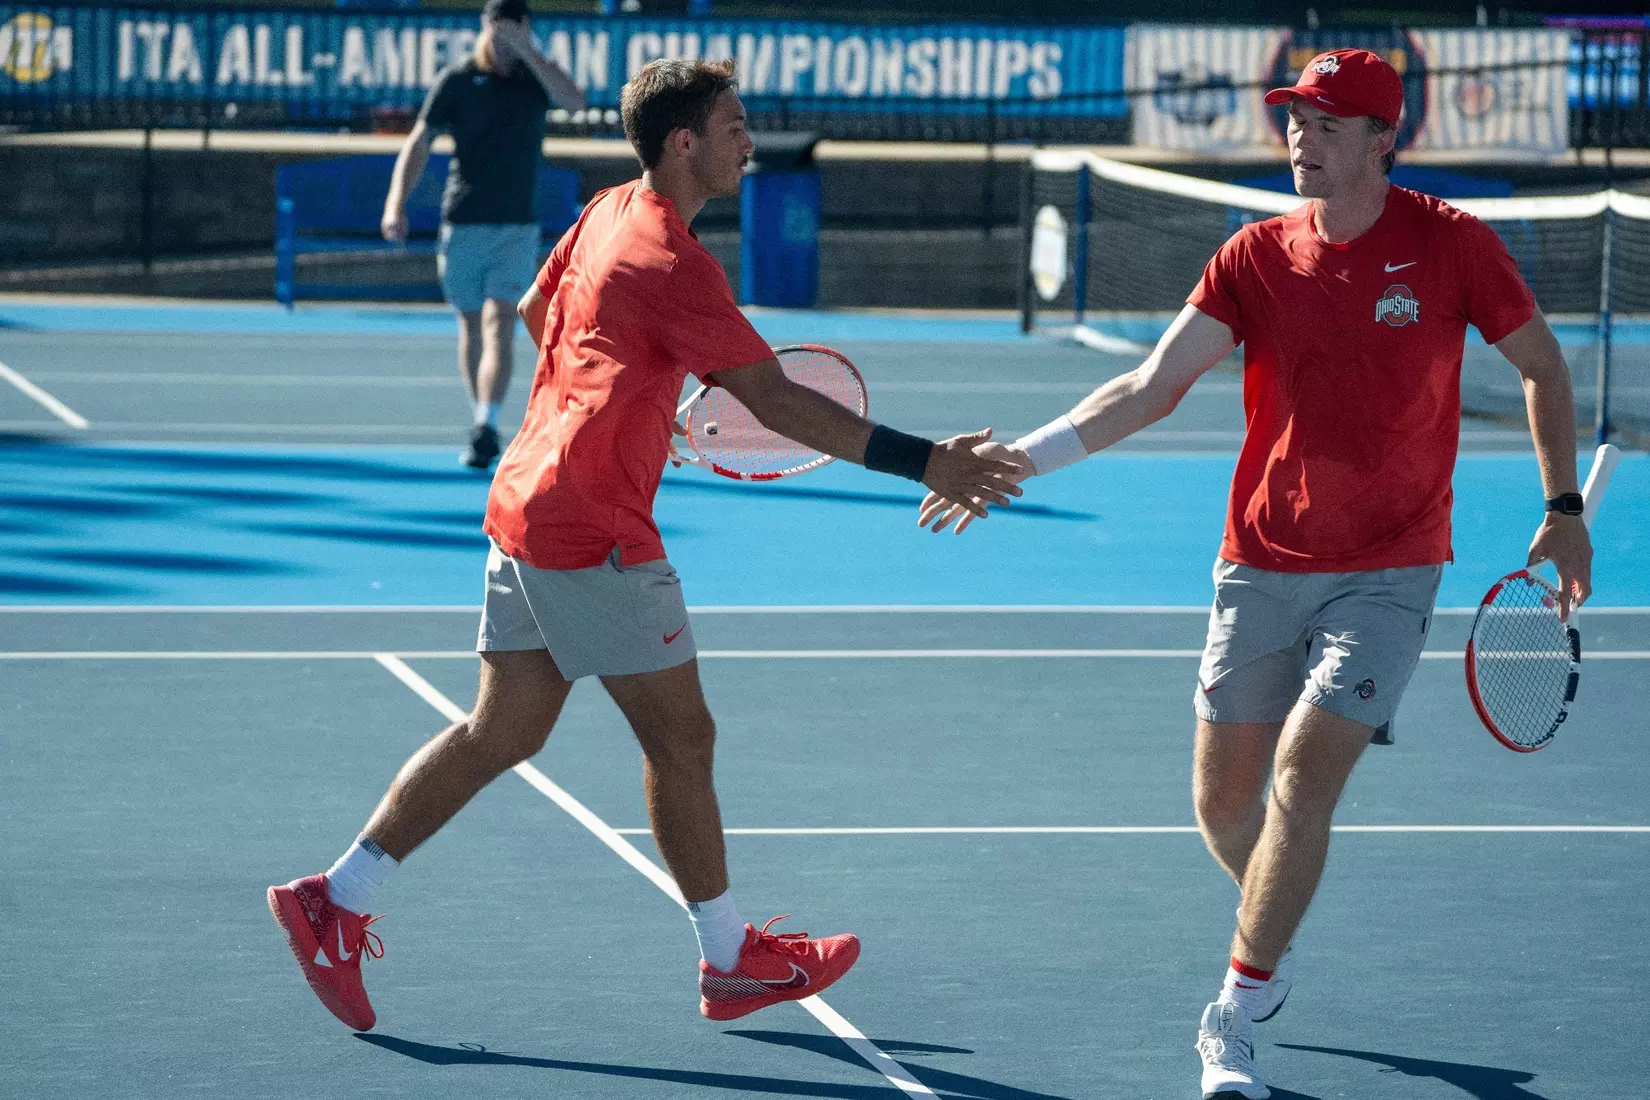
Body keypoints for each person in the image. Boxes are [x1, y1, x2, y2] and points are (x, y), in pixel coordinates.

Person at [271, 57, 1023, 1033]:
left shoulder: (605, 210)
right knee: (682, 738)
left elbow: (540, 314)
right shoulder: (674, 260)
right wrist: (928, 463)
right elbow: (776, 399)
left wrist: (629, 401)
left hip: (526, 504)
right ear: (684, 141)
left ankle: (335, 897)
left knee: (503, 731)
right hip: (593, 533)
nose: (748, 141)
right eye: (734, 125)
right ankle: (730, 959)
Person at [918, 49, 1592, 1100]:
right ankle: (1273, 928)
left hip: (1391, 568)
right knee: (1224, 806)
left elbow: (1543, 365)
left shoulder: (1453, 245)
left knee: (1301, 781)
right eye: (1294, 119)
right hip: (1260, 561)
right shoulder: (1254, 256)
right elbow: (1151, 385)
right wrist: (1023, 458)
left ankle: (1233, 1011)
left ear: (1383, 140)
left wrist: (1563, 509)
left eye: (1325, 123)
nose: (1299, 137)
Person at [381, 0, 583, 470]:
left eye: (516, 24)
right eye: (499, 25)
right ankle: (482, 419)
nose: (505, 33)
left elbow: (575, 101)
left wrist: (528, 50)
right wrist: (395, 204)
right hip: (464, 221)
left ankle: (487, 424)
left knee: (501, 320)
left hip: (516, 225)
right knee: (472, 323)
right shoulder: (458, 80)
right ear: (486, 26)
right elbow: (419, 141)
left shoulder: (536, 79)